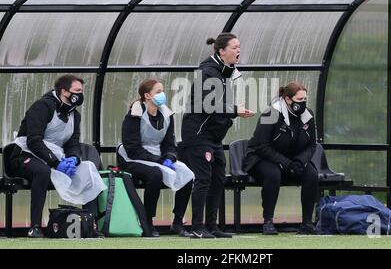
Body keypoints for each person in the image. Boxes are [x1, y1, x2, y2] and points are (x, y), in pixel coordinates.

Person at [7, 75, 106, 238]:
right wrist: (55, 163)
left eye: (82, 91)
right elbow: (34, 141)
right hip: (23, 156)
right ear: (63, 91)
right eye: (77, 91)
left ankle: (90, 224)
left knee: (88, 169)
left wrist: (74, 158)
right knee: (43, 171)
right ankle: (35, 227)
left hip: (56, 158)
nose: (81, 94)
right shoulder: (42, 106)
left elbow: (73, 143)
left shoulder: (75, 115)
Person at [179, 32, 254, 239]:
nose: (238, 51)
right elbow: (208, 104)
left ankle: (212, 226)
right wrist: (234, 111)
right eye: (234, 47)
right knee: (203, 179)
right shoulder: (209, 71)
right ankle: (197, 226)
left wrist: (230, 116)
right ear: (222, 51)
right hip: (198, 134)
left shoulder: (224, 71)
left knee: (218, 178)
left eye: (239, 47)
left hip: (214, 137)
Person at [118, 79, 194, 237]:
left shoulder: (167, 115)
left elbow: (169, 144)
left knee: (187, 174)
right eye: (158, 92)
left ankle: (178, 222)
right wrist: (160, 162)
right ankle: (148, 223)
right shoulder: (134, 114)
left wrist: (169, 158)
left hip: (158, 157)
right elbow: (132, 149)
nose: (162, 95)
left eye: (162, 91)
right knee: (155, 174)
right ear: (147, 95)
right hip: (132, 159)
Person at [243, 82, 319, 235]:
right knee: (273, 174)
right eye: (299, 100)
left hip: (293, 160)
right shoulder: (270, 113)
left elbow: (312, 145)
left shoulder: (308, 115)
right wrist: (285, 163)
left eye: (305, 99)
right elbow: (260, 146)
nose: (303, 103)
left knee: (311, 174)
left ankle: (307, 224)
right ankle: (268, 222)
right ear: (287, 99)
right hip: (261, 159)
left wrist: (299, 161)